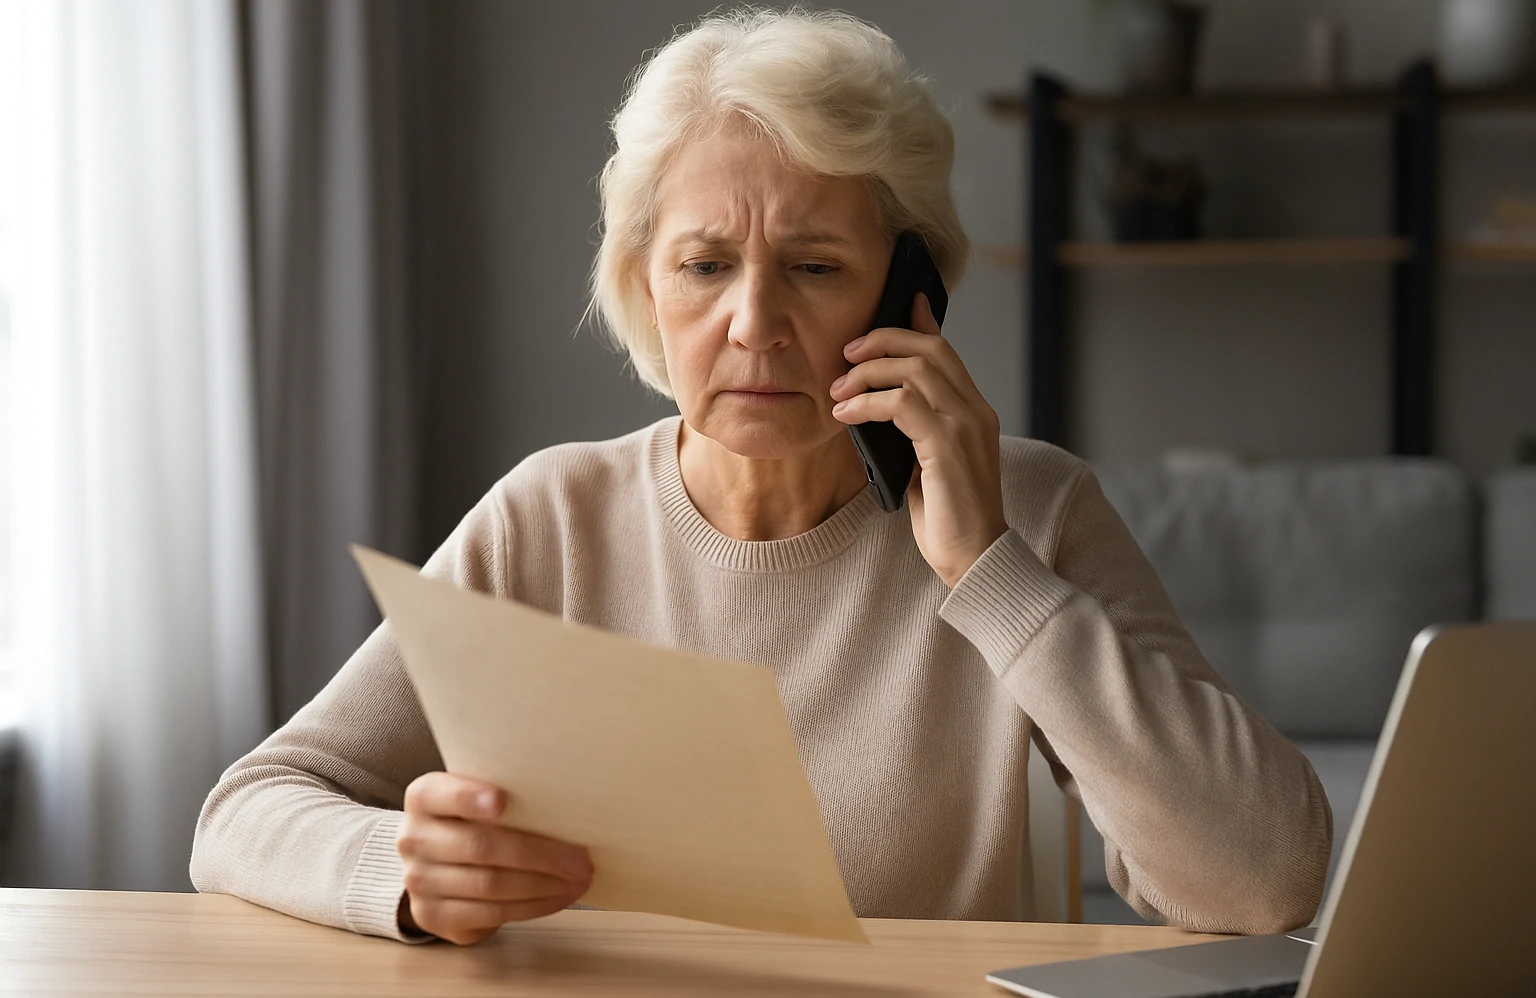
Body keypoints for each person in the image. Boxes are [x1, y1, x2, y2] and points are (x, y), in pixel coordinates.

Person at [190, 7, 1331, 946]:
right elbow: (243, 812)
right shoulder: (551, 518)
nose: (754, 324)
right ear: (647, 289)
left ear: (910, 299)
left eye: (816, 266)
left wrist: (992, 572)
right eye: (704, 264)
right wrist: (401, 868)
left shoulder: (1032, 510)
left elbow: (1267, 880)